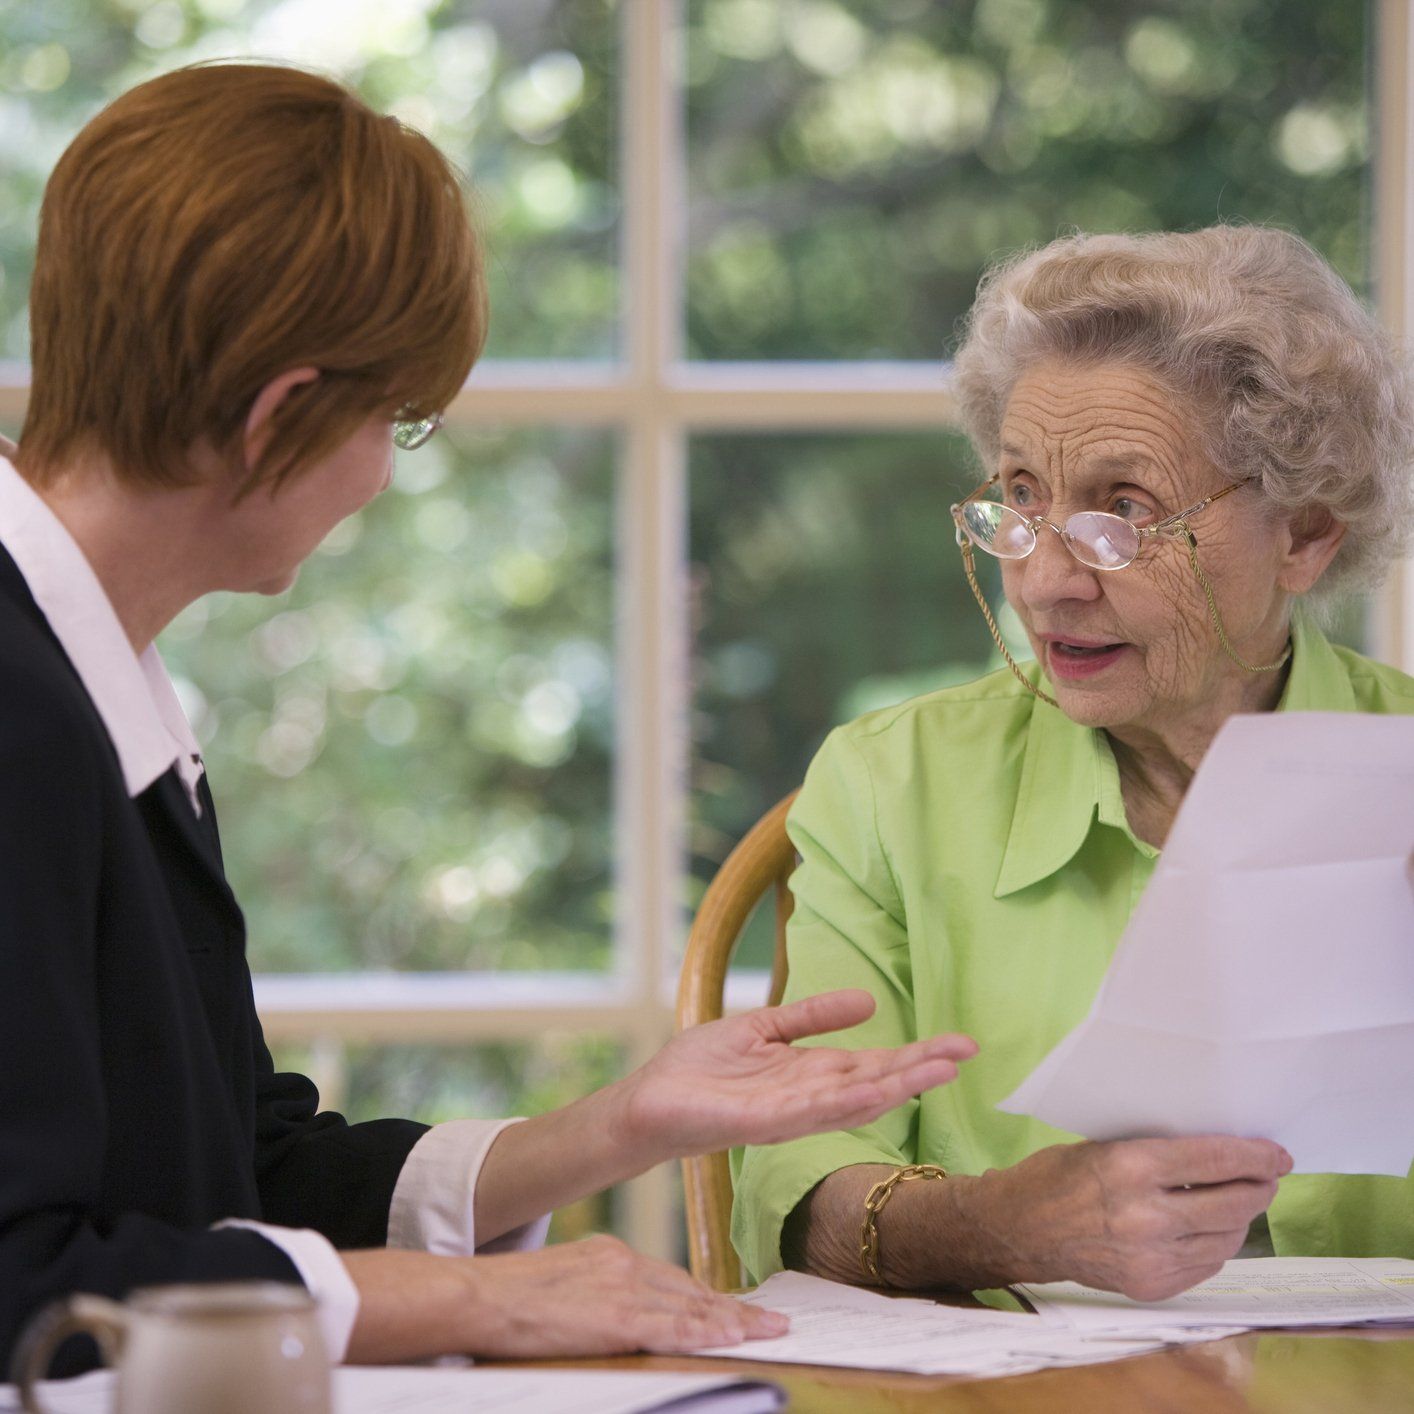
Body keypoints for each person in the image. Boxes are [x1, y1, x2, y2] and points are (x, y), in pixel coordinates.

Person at [0, 61, 980, 1376]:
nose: (377, 482)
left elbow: (240, 1165)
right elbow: (21, 1274)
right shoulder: (19, 710)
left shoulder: (94, 683)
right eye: (396, 423)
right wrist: (477, 1304)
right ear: (279, 414)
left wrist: (616, 1124)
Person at [733, 225, 1414, 1301]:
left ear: (1307, 534)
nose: (1045, 580)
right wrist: (993, 1226)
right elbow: (794, 1185)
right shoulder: (891, 786)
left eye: (1120, 511)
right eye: (1019, 497)